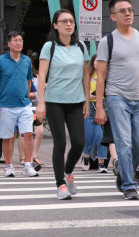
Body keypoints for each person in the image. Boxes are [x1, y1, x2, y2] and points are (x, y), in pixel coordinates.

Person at [37, 9, 90, 200]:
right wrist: (40, 103)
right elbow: (42, 75)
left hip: (76, 101)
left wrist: (86, 100)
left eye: (71, 21)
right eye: (64, 21)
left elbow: (86, 75)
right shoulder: (49, 47)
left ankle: (68, 172)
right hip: (54, 102)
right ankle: (60, 184)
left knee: (79, 143)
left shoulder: (81, 46)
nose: (69, 24)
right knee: (59, 143)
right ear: (55, 25)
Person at [95, 0, 139, 200]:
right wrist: (99, 107)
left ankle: (122, 169)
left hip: (138, 98)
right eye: (122, 11)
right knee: (124, 143)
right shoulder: (108, 41)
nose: (128, 14)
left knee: (137, 142)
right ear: (113, 17)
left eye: (130, 10)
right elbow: (101, 76)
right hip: (117, 97)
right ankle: (129, 185)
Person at [0, 31, 39, 178]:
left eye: (21, 41)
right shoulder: (0, 61)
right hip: (6, 105)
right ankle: (9, 166)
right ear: (9, 43)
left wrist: (28, 97)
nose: (19, 43)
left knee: (28, 134)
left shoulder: (26, 61)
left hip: (24, 104)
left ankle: (28, 165)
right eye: (16, 40)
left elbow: (29, 81)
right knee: (8, 137)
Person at [81, 54, 109, 173]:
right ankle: (86, 155)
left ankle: (101, 163)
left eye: (100, 61)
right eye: (96, 61)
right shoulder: (88, 75)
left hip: (101, 108)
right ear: (93, 63)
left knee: (101, 136)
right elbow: (82, 91)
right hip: (88, 107)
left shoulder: (106, 76)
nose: (98, 63)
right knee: (88, 136)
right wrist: (89, 96)